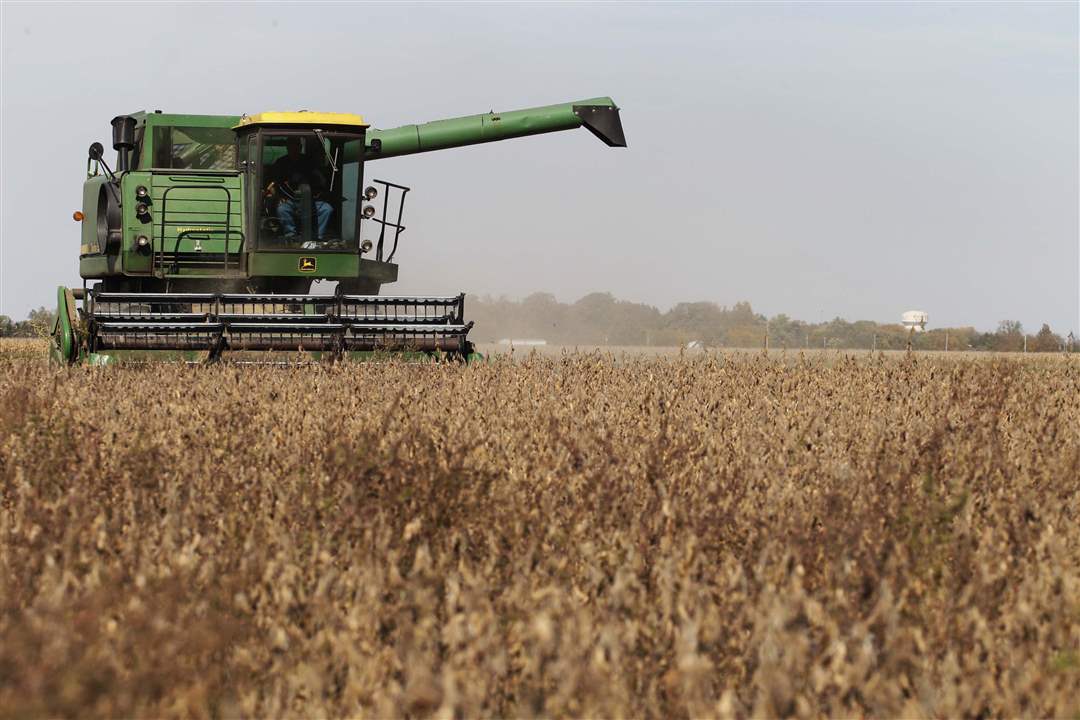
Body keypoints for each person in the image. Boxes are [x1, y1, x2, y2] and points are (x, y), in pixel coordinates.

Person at [268, 137, 333, 241]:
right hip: (289, 200)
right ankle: (291, 236)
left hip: (310, 200)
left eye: (296, 146)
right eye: (291, 146)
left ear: (300, 147)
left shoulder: (309, 162)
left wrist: (317, 191)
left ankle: (317, 237)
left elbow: (319, 180)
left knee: (326, 209)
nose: (294, 148)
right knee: (282, 209)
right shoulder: (281, 163)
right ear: (287, 147)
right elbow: (274, 184)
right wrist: (279, 197)